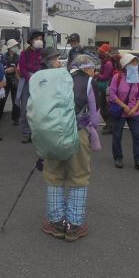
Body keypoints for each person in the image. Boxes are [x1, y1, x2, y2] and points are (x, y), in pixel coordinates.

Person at [42, 54, 100, 242]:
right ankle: (74, 225)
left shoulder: (57, 79)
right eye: (93, 68)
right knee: (79, 175)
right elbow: (95, 117)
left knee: (54, 174)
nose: (94, 72)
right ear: (87, 68)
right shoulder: (90, 82)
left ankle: (56, 222)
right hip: (78, 132)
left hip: (54, 133)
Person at [109, 53, 139, 171]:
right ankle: (118, 157)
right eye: (132, 63)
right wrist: (124, 106)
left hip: (133, 112)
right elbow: (112, 94)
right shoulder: (117, 77)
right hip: (120, 111)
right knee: (117, 135)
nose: (135, 65)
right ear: (125, 65)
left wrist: (135, 108)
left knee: (137, 135)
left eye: (136, 63)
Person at [18, 30, 43, 143]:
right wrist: (31, 79)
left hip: (40, 82)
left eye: (41, 39)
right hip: (27, 82)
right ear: (31, 40)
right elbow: (23, 69)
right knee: (25, 108)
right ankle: (25, 132)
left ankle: (35, 132)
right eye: (37, 39)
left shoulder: (42, 53)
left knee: (38, 108)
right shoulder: (24, 53)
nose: (39, 41)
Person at [0, 39, 21, 126]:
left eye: (17, 46)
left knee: (16, 100)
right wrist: (6, 70)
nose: (17, 47)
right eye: (15, 46)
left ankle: (16, 119)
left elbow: (20, 68)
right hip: (6, 81)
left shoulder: (18, 57)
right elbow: (1, 68)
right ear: (10, 48)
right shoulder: (3, 57)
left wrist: (15, 70)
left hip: (15, 80)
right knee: (2, 100)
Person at [96, 43, 114, 134]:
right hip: (105, 88)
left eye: (101, 51)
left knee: (105, 108)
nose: (99, 53)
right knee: (104, 108)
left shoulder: (108, 63)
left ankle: (110, 126)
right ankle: (108, 124)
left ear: (106, 53)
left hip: (106, 88)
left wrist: (97, 75)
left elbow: (105, 77)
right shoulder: (105, 62)